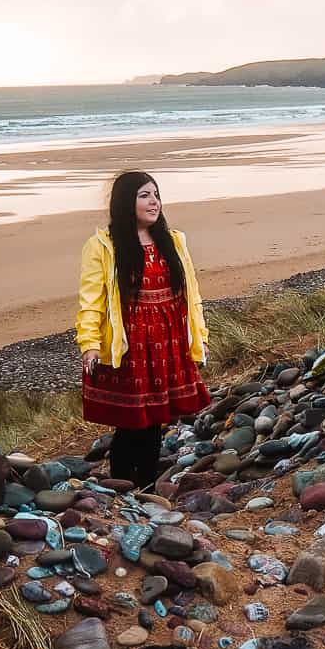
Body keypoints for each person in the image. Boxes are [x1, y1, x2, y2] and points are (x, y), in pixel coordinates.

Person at [76, 171, 210, 490]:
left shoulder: (174, 241)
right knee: (130, 422)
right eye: (144, 195)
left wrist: (200, 338)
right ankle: (123, 487)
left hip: (167, 342)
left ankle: (147, 488)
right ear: (125, 202)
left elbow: (192, 296)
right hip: (130, 346)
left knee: (155, 422)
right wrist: (90, 344)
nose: (154, 202)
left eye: (156, 195)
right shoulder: (103, 246)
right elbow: (91, 299)